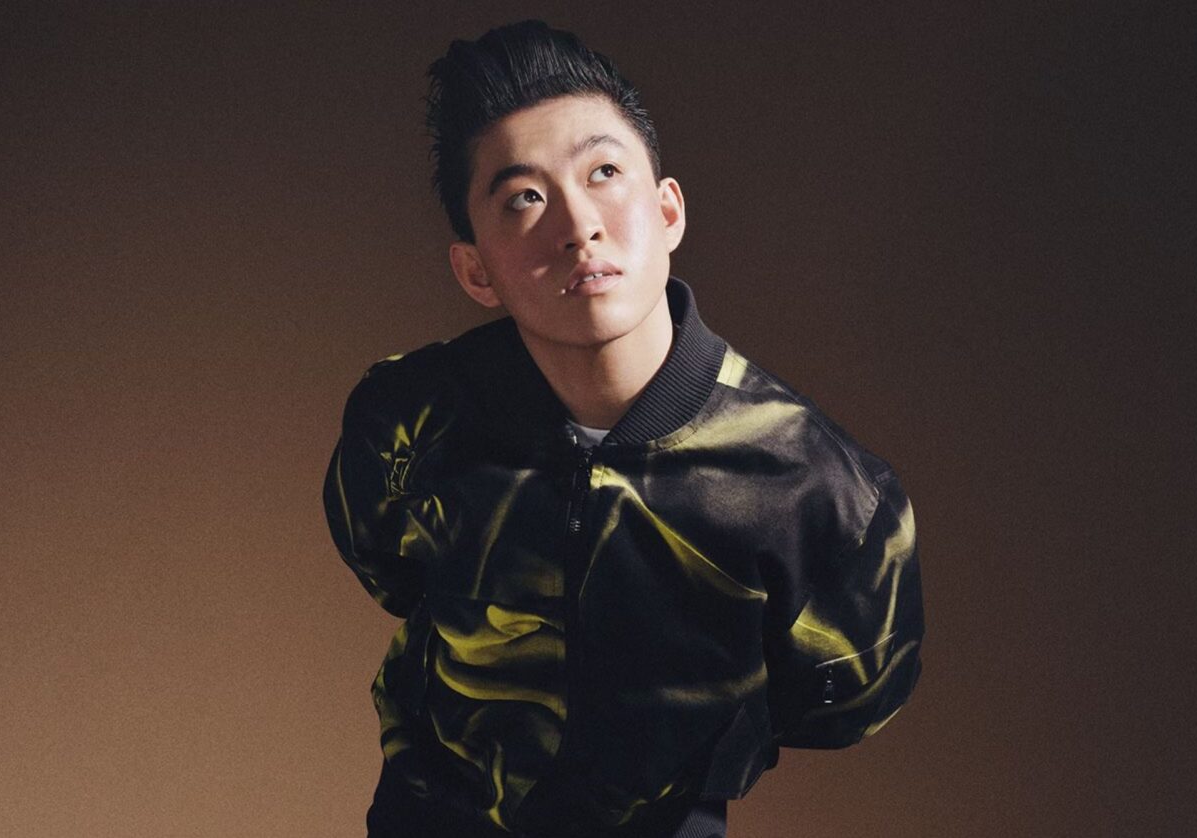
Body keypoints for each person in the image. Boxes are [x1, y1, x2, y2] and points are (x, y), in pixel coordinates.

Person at [323, 20, 924, 838]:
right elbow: (387, 566)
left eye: (603, 172)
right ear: (475, 270)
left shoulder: (818, 489)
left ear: (669, 210)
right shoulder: (409, 420)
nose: (578, 225)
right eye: (524, 197)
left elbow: (845, 703)